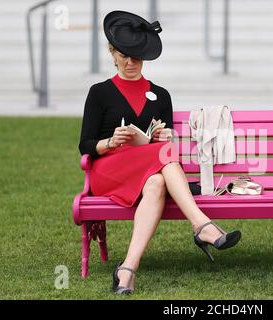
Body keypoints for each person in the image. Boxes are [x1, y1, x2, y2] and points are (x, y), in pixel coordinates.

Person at [78, 10, 241, 295]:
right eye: (124, 56)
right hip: (110, 171)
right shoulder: (99, 92)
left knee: (157, 178)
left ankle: (127, 269)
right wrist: (111, 142)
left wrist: (166, 136)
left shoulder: (161, 94)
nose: (131, 62)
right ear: (113, 54)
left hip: (149, 171)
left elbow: (165, 144)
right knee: (164, 153)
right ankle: (201, 224)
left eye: (136, 57)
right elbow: (86, 145)